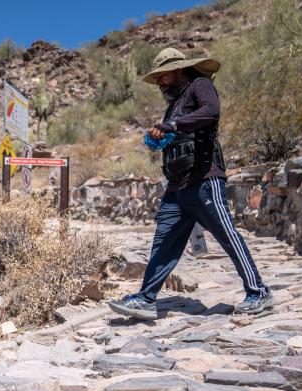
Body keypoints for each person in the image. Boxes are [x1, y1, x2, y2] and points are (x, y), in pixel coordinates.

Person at [108, 47, 273, 321]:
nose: (159, 81)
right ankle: (146, 299)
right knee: (163, 242)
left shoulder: (200, 85)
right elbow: (176, 134)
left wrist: (173, 126)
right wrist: (160, 136)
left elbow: (211, 112)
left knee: (227, 235)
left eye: (162, 75)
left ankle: (259, 291)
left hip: (204, 178)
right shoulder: (173, 105)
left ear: (178, 69)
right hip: (176, 187)